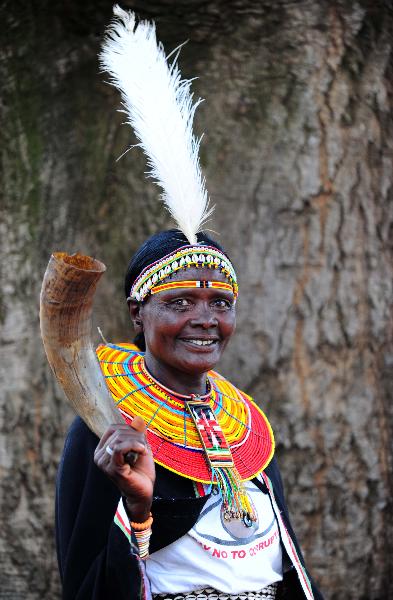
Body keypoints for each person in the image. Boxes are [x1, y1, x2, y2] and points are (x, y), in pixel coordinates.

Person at [55, 7, 323, 600]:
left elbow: (292, 574)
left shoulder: (248, 423)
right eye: (180, 301)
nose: (206, 319)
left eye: (220, 303)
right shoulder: (104, 428)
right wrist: (140, 506)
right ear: (138, 314)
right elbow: (86, 588)